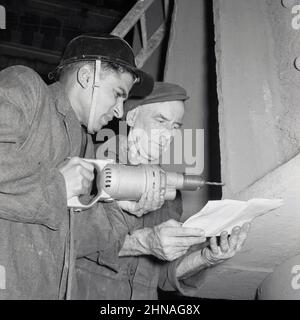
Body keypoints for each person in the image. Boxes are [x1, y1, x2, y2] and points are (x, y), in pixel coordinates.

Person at [0, 34, 154, 299]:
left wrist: (120, 209)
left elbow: (77, 240)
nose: (120, 111)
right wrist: (59, 186)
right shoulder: (25, 86)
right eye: (117, 94)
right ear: (86, 76)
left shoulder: (83, 146)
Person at [74, 82, 250, 299]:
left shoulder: (170, 194)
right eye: (160, 121)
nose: (168, 135)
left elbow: (162, 276)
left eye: (175, 126)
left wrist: (206, 257)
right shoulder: (89, 165)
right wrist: (144, 243)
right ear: (131, 118)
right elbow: (66, 240)